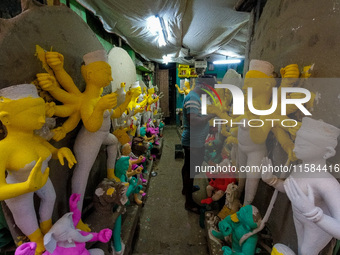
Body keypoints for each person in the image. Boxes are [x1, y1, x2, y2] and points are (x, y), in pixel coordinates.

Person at [262, 117, 340, 255]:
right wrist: (272, 181)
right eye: (296, 142)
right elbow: (290, 189)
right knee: (301, 247)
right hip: (299, 218)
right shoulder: (299, 169)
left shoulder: (327, 182)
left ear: (327, 152)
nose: (295, 148)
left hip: (317, 226)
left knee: (306, 251)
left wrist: (315, 215)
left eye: (302, 145)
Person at [181, 76, 216, 214]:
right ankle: (189, 203)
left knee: (187, 167)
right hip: (193, 141)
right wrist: (210, 116)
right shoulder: (193, 98)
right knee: (191, 171)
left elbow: (197, 118)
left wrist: (208, 126)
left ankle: (186, 189)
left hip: (193, 140)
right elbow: (194, 121)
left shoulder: (195, 97)